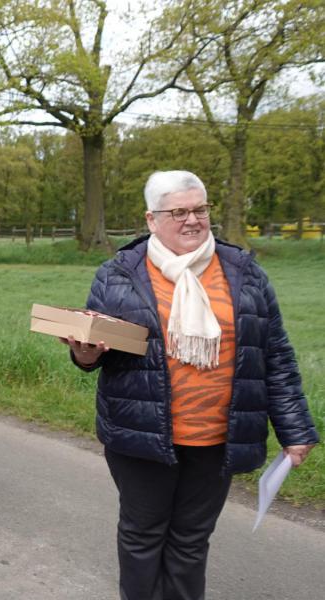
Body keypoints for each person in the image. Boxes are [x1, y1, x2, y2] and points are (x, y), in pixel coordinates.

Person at [67, 170, 318, 600]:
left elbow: (274, 354)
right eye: (179, 211)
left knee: (190, 542)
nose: (193, 220)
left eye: (200, 209)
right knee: (142, 536)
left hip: (217, 439)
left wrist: (295, 430)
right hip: (141, 437)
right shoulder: (118, 275)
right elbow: (91, 353)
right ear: (151, 220)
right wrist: (85, 352)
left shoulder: (245, 273)